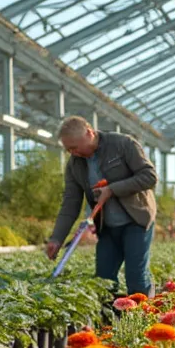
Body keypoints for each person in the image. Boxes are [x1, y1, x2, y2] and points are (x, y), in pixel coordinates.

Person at [46, 116, 158, 296]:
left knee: (136, 278)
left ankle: (144, 317)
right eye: (68, 149)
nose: (73, 153)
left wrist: (112, 189)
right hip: (107, 226)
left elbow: (149, 177)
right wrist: (57, 238)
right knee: (103, 280)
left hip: (137, 220)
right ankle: (111, 321)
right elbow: (70, 203)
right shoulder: (75, 164)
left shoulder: (123, 144)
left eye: (74, 147)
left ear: (89, 133)